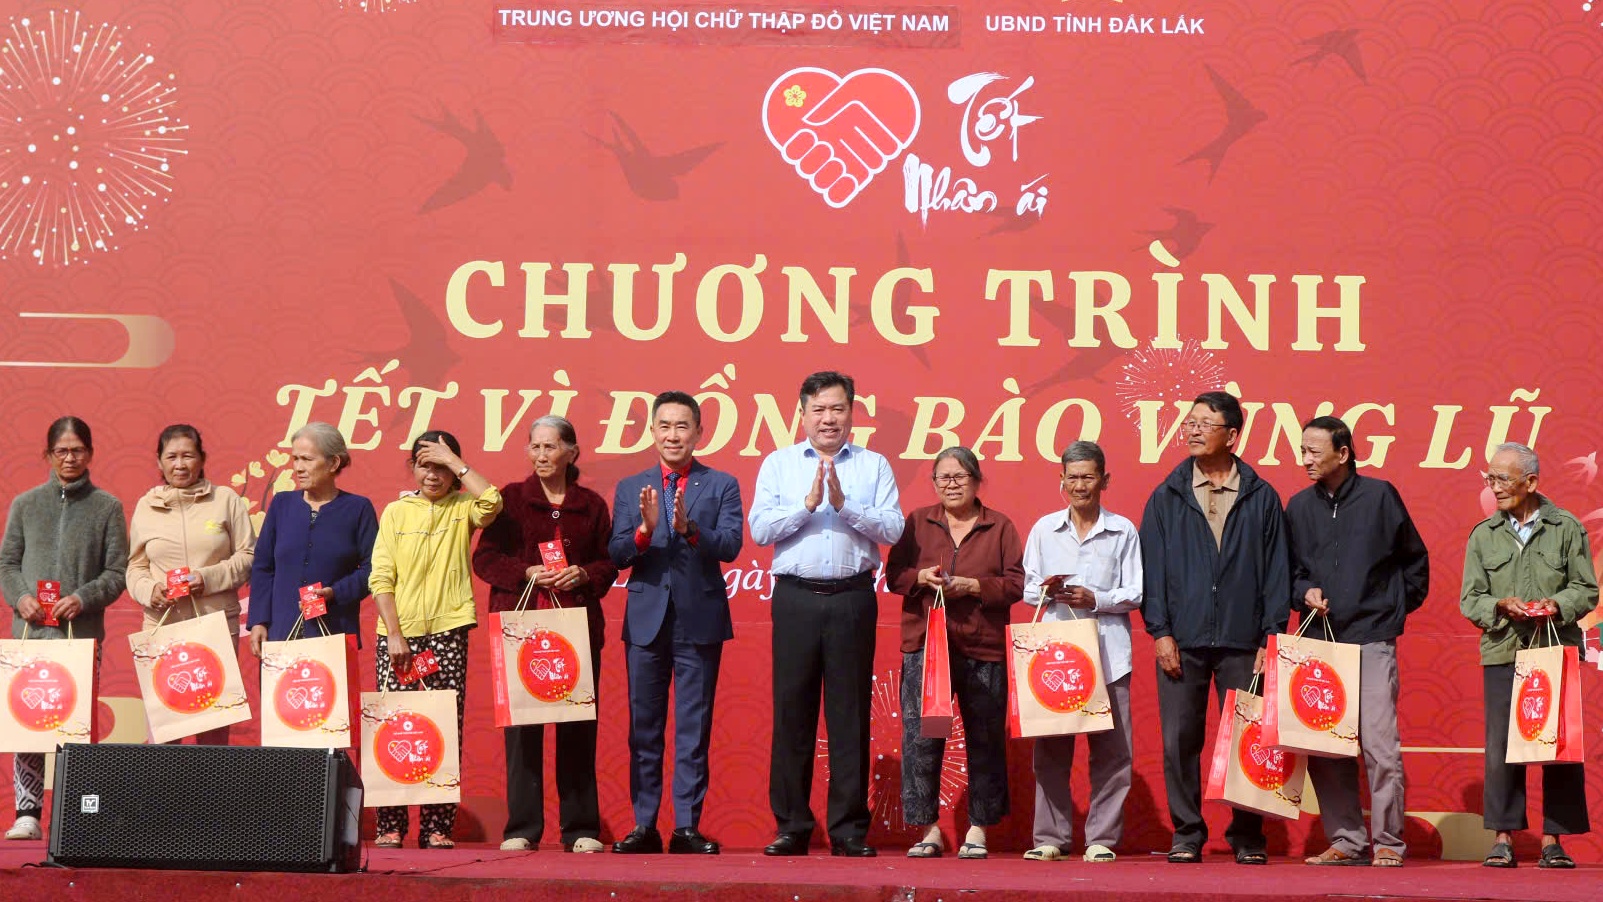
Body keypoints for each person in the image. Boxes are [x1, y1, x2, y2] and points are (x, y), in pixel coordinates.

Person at [750, 371, 903, 858]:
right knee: (792, 712)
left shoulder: (874, 465)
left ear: (852, 413)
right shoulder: (779, 464)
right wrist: (807, 506)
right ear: (802, 414)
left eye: (837, 409)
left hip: (852, 598)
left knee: (849, 715)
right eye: (818, 409)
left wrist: (845, 505)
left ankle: (849, 829)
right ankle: (792, 825)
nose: (828, 419)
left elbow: (893, 528)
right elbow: (759, 529)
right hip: (795, 598)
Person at [1140, 391, 1289, 865]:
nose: (1193, 430)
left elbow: (1277, 573)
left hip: (1243, 640)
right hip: (1181, 639)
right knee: (1179, 741)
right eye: (1190, 422)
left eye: (1205, 423)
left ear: (1232, 434)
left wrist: (1271, 636)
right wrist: (1160, 632)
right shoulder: (1166, 496)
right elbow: (1152, 572)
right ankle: (1187, 832)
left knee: (1249, 738)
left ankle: (1247, 835)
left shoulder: (1261, 496)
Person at [1287, 416, 1429, 868]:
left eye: (1314, 451)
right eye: (1302, 450)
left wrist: (1390, 609)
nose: (1305, 459)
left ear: (1343, 453)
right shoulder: (1298, 507)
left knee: (1380, 747)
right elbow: (1290, 572)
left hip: (1372, 638)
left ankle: (1388, 841)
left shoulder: (1380, 496)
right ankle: (1347, 840)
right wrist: (1304, 592)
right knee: (1326, 748)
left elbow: (1415, 561)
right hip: (1320, 644)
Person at [607, 392, 744, 855]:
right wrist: (645, 532)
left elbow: (730, 546)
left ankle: (686, 826)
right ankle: (644, 825)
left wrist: (689, 529)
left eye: (682, 426)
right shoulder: (631, 486)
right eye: (664, 426)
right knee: (644, 728)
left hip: (698, 621)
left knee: (693, 728)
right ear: (652, 431)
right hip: (646, 620)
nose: (672, 435)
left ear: (699, 432)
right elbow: (616, 553)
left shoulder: (721, 484)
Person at [473, 416, 618, 854]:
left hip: (575, 630)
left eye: (550, 447)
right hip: (522, 630)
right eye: (534, 447)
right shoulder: (511, 499)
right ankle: (522, 828)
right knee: (522, 732)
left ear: (572, 452)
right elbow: (485, 559)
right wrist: (526, 572)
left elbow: (608, 562)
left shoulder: (591, 505)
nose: (540, 455)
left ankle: (580, 828)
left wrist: (583, 574)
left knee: (577, 728)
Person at [1460, 442, 1597, 869]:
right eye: (1490, 478)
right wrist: (1500, 606)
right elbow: (1471, 599)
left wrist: (1557, 604)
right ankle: (1503, 838)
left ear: (1531, 482)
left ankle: (1553, 840)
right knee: (1502, 746)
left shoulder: (1566, 527)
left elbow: (1586, 589)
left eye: (1502, 479)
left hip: (1554, 650)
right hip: (1503, 649)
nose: (1494, 487)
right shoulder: (1484, 535)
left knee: (1557, 745)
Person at [885, 447, 1023, 860]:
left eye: (960, 476)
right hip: (927, 649)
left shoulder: (999, 525)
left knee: (985, 740)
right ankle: (927, 828)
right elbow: (894, 575)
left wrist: (973, 586)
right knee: (922, 738)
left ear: (977, 481)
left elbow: (1016, 584)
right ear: (933, 483)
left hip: (984, 649)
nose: (951, 484)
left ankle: (979, 829)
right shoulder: (917, 522)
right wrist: (920, 578)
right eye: (943, 477)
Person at [370, 430, 501, 850]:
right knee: (394, 727)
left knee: (443, 727)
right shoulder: (395, 512)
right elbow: (380, 577)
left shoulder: (463, 507)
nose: (433, 475)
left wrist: (455, 461)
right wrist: (394, 633)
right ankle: (390, 824)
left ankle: (436, 826)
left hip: (448, 631)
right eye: (425, 465)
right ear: (413, 468)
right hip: (397, 635)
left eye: (441, 467)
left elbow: (492, 502)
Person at [1, 417, 128, 841]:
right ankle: (28, 814)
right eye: (61, 451)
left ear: (90, 454)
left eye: (77, 450)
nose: (69, 458)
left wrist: (83, 598)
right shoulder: (25, 504)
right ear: (48, 454)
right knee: (27, 721)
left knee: (76, 727)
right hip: (31, 636)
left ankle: (75, 816)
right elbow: (7, 564)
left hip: (80, 637)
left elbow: (117, 572)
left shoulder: (107, 507)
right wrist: (21, 597)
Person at [1020, 441, 1142, 863]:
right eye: (1072, 477)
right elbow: (1027, 588)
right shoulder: (1044, 529)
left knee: (1113, 752)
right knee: (1051, 751)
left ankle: (1101, 839)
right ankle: (1050, 837)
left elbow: (1136, 592)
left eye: (1088, 477)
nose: (1079, 485)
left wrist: (1096, 598)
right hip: (1057, 656)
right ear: (1061, 481)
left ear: (1104, 480)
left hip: (1109, 656)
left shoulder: (1122, 530)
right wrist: (1048, 591)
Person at [127, 424, 258, 746]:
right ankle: (164, 783)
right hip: (163, 626)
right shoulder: (146, 506)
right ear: (159, 462)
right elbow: (135, 567)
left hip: (214, 624)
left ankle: (212, 782)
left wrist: (207, 578)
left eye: (188, 456)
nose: (180, 464)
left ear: (202, 459)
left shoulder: (225, 500)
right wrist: (150, 591)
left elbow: (249, 556)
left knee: (213, 727)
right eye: (171, 457)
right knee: (164, 731)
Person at [248, 423, 377, 653]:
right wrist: (259, 620)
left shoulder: (358, 509)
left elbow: (373, 570)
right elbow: (263, 567)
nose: (298, 468)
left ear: (333, 463)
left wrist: (335, 592)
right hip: (281, 633)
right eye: (295, 459)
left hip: (333, 632)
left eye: (307, 459)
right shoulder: (282, 504)